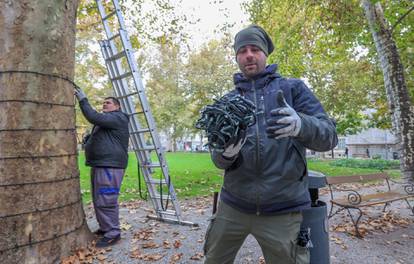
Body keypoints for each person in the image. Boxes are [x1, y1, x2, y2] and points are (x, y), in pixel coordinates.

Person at [204, 25, 338, 264]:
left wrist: (302, 125)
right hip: (233, 204)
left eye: (255, 49)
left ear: (265, 53)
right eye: (242, 50)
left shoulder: (293, 89)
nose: (248, 55)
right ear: (236, 57)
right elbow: (217, 158)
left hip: (282, 208)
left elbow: (329, 136)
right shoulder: (228, 101)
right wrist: (225, 154)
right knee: (213, 260)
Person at [74, 89, 130, 248]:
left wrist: (83, 99)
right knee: (99, 199)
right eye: (103, 102)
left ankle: (113, 233)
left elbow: (93, 116)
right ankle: (106, 228)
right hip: (101, 164)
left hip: (110, 166)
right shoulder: (108, 120)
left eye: (108, 102)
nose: (104, 104)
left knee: (106, 199)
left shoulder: (118, 117)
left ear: (117, 106)